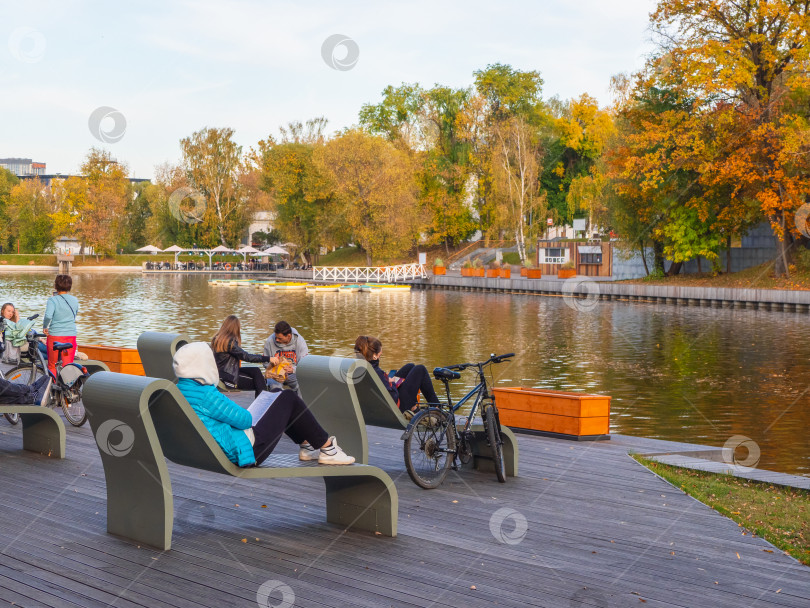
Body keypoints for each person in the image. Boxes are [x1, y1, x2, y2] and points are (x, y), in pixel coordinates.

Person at [173, 342, 354, 466]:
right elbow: (244, 420)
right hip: (244, 449)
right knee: (288, 397)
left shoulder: (178, 389)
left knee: (276, 394)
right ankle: (328, 448)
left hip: (216, 448)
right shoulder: (205, 394)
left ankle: (307, 445)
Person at [354, 335, 440, 419]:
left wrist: (387, 379)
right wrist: (392, 383)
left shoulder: (360, 369)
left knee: (410, 366)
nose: (381, 352)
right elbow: (393, 398)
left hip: (376, 406)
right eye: (380, 350)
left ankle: (414, 407)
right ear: (374, 356)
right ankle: (437, 409)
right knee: (420, 369)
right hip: (395, 409)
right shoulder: (377, 373)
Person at [211, 315, 271, 398]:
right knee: (260, 382)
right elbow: (246, 357)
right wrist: (268, 358)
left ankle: (262, 403)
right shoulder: (229, 342)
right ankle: (263, 404)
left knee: (256, 371)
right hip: (228, 377)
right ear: (235, 328)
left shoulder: (218, 339)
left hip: (224, 373)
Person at [42, 275, 78, 377]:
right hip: (70, 335)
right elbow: (74, 315)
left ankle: (52, 388)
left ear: (56, 286)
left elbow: (48, 316)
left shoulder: (52, 300)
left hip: (55, 336)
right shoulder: (75, 300)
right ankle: (68, 389)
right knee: (67, 366)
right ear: (69, 286)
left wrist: (45, 327)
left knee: (52, 365)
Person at [263, 321, 308, 395]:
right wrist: (275, 369)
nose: (277, 340)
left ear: (289, 336)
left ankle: (300, 406)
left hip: (293, 374)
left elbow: (304, 364)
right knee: (275, 387)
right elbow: (265, 362)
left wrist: (293, 369)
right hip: (275, 374)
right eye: (276, 337)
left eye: (280, 338)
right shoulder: (270, 341)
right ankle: (279, 405)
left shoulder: (300, 341)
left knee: (302, 385)